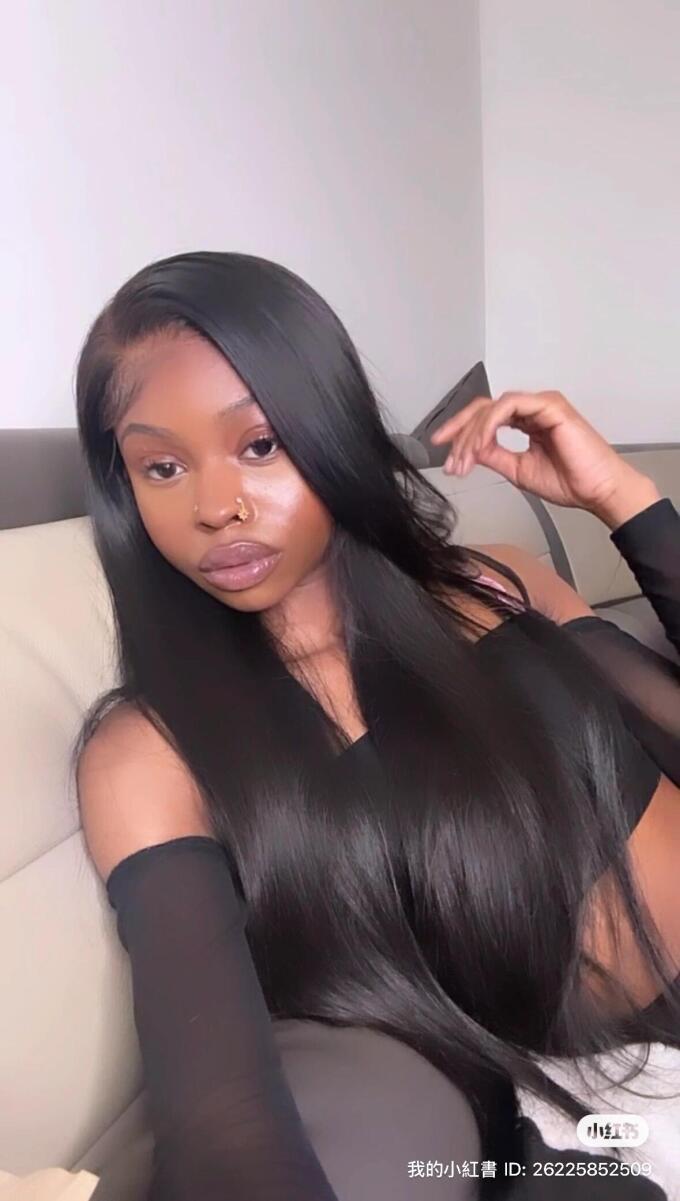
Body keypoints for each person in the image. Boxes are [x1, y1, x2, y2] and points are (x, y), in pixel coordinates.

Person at [72, 251, 680, 1200]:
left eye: (261, 445)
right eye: (163, 466)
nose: (216, 506)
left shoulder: (493, 582)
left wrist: (624, 501)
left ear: (333, 431)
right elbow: (222, 1126)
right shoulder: (150, 753)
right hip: (594, 1087)